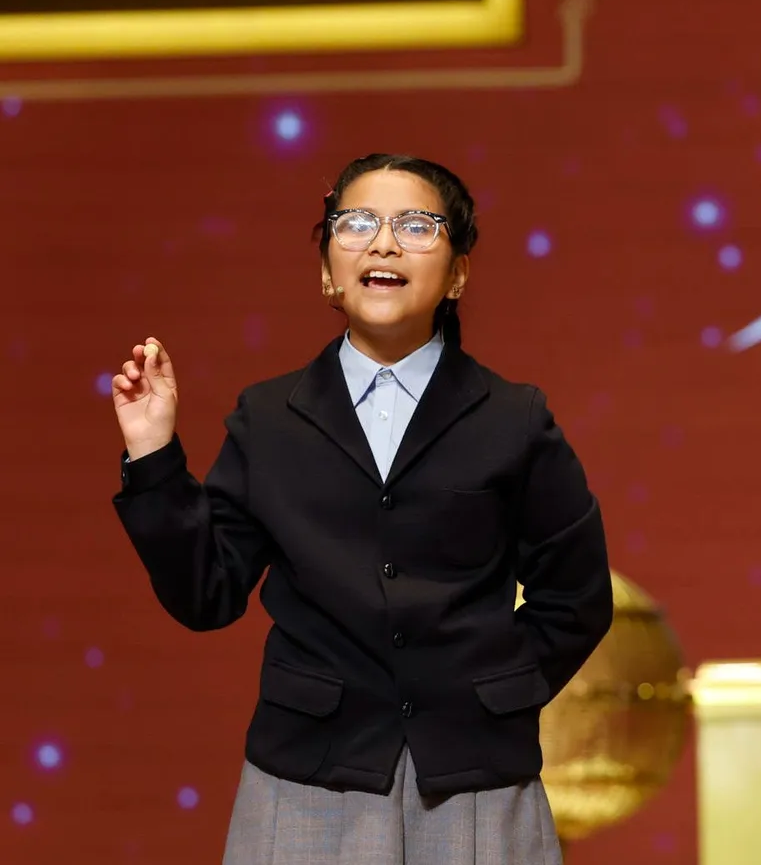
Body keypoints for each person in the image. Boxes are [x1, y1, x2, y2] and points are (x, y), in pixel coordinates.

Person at [110, 154, 612, 865]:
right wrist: (154, 456)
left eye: (416, 225)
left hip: (474, 779)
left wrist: (492, 692)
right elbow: (206, 594)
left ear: (459, 274)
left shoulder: (514, 418)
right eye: (356, 224)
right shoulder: (269, 418)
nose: (383, 243)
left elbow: (578, 598)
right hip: (307, 776)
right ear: (327, 272)